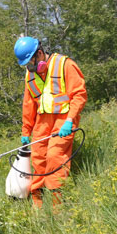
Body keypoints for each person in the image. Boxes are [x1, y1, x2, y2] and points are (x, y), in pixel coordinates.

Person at [14, 36, 87, 208]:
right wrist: (26, 131)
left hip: (64, 119)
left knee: (55, 157)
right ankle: (37, 203)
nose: (29, 68)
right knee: (38, 158)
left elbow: (79, 94)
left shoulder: (65, 65)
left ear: (39, 53)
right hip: (42, 121)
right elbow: (28, 105)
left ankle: (57, 205)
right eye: (26, 65)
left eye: (30, 63)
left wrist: (70, 120)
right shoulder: (30, 76)